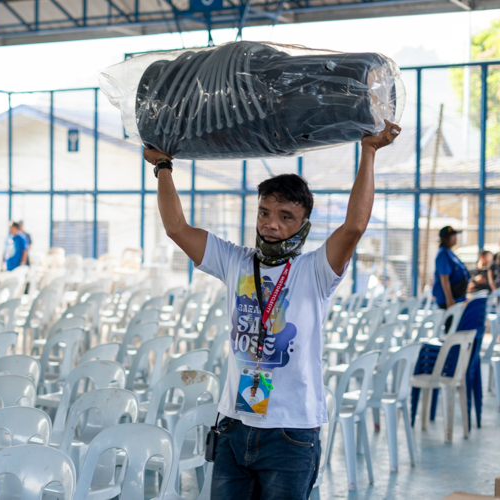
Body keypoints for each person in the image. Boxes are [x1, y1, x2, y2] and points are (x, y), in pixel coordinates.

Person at [145, 120, 401, 499]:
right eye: (265, 213)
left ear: (303, 224)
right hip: (234, 424)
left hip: (290, 432)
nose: (271, 225)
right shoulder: (235, 261)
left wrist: (368, 151)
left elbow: (355, 226)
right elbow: (176, 228)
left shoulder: (314, 270)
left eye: (285, 217)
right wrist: (163, 167)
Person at [433, 226, 470, 312]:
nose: (455, 238)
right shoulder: (443, 254)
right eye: (453, 236)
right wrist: (449, 299)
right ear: (446, 238)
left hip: (458, 298)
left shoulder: (450, 253)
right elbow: (444, 278)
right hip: (449, 301)